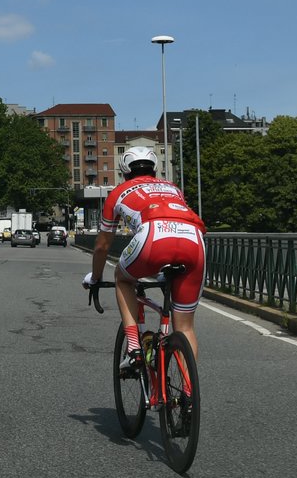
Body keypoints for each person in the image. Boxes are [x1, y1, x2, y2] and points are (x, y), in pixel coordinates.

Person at [85, 147, 206, 370]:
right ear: (155, 169)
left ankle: (133, 349)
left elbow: (102, 245)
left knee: (122, 277)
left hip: (153, 236)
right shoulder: (173, 188)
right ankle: (189, 396)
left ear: (124, 171)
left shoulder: (119, 191)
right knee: (186, 328)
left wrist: (95, 277)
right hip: (194, 239)